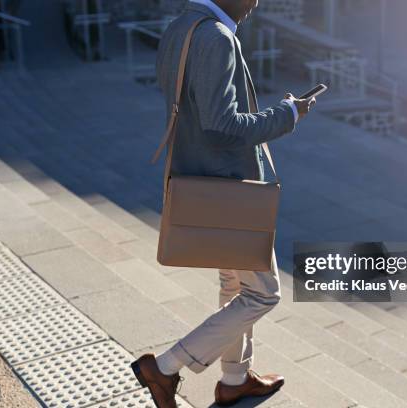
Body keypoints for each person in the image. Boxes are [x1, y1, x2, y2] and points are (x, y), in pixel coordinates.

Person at [131, 1, 315, 407]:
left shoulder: (183, 24)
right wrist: (287, 113)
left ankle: (234, 379)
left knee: (234, 284)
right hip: (230, 189)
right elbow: (221, 126)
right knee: (263, 294)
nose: (255, 4)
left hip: (202, 179)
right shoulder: (217, 37)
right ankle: (163, 367)